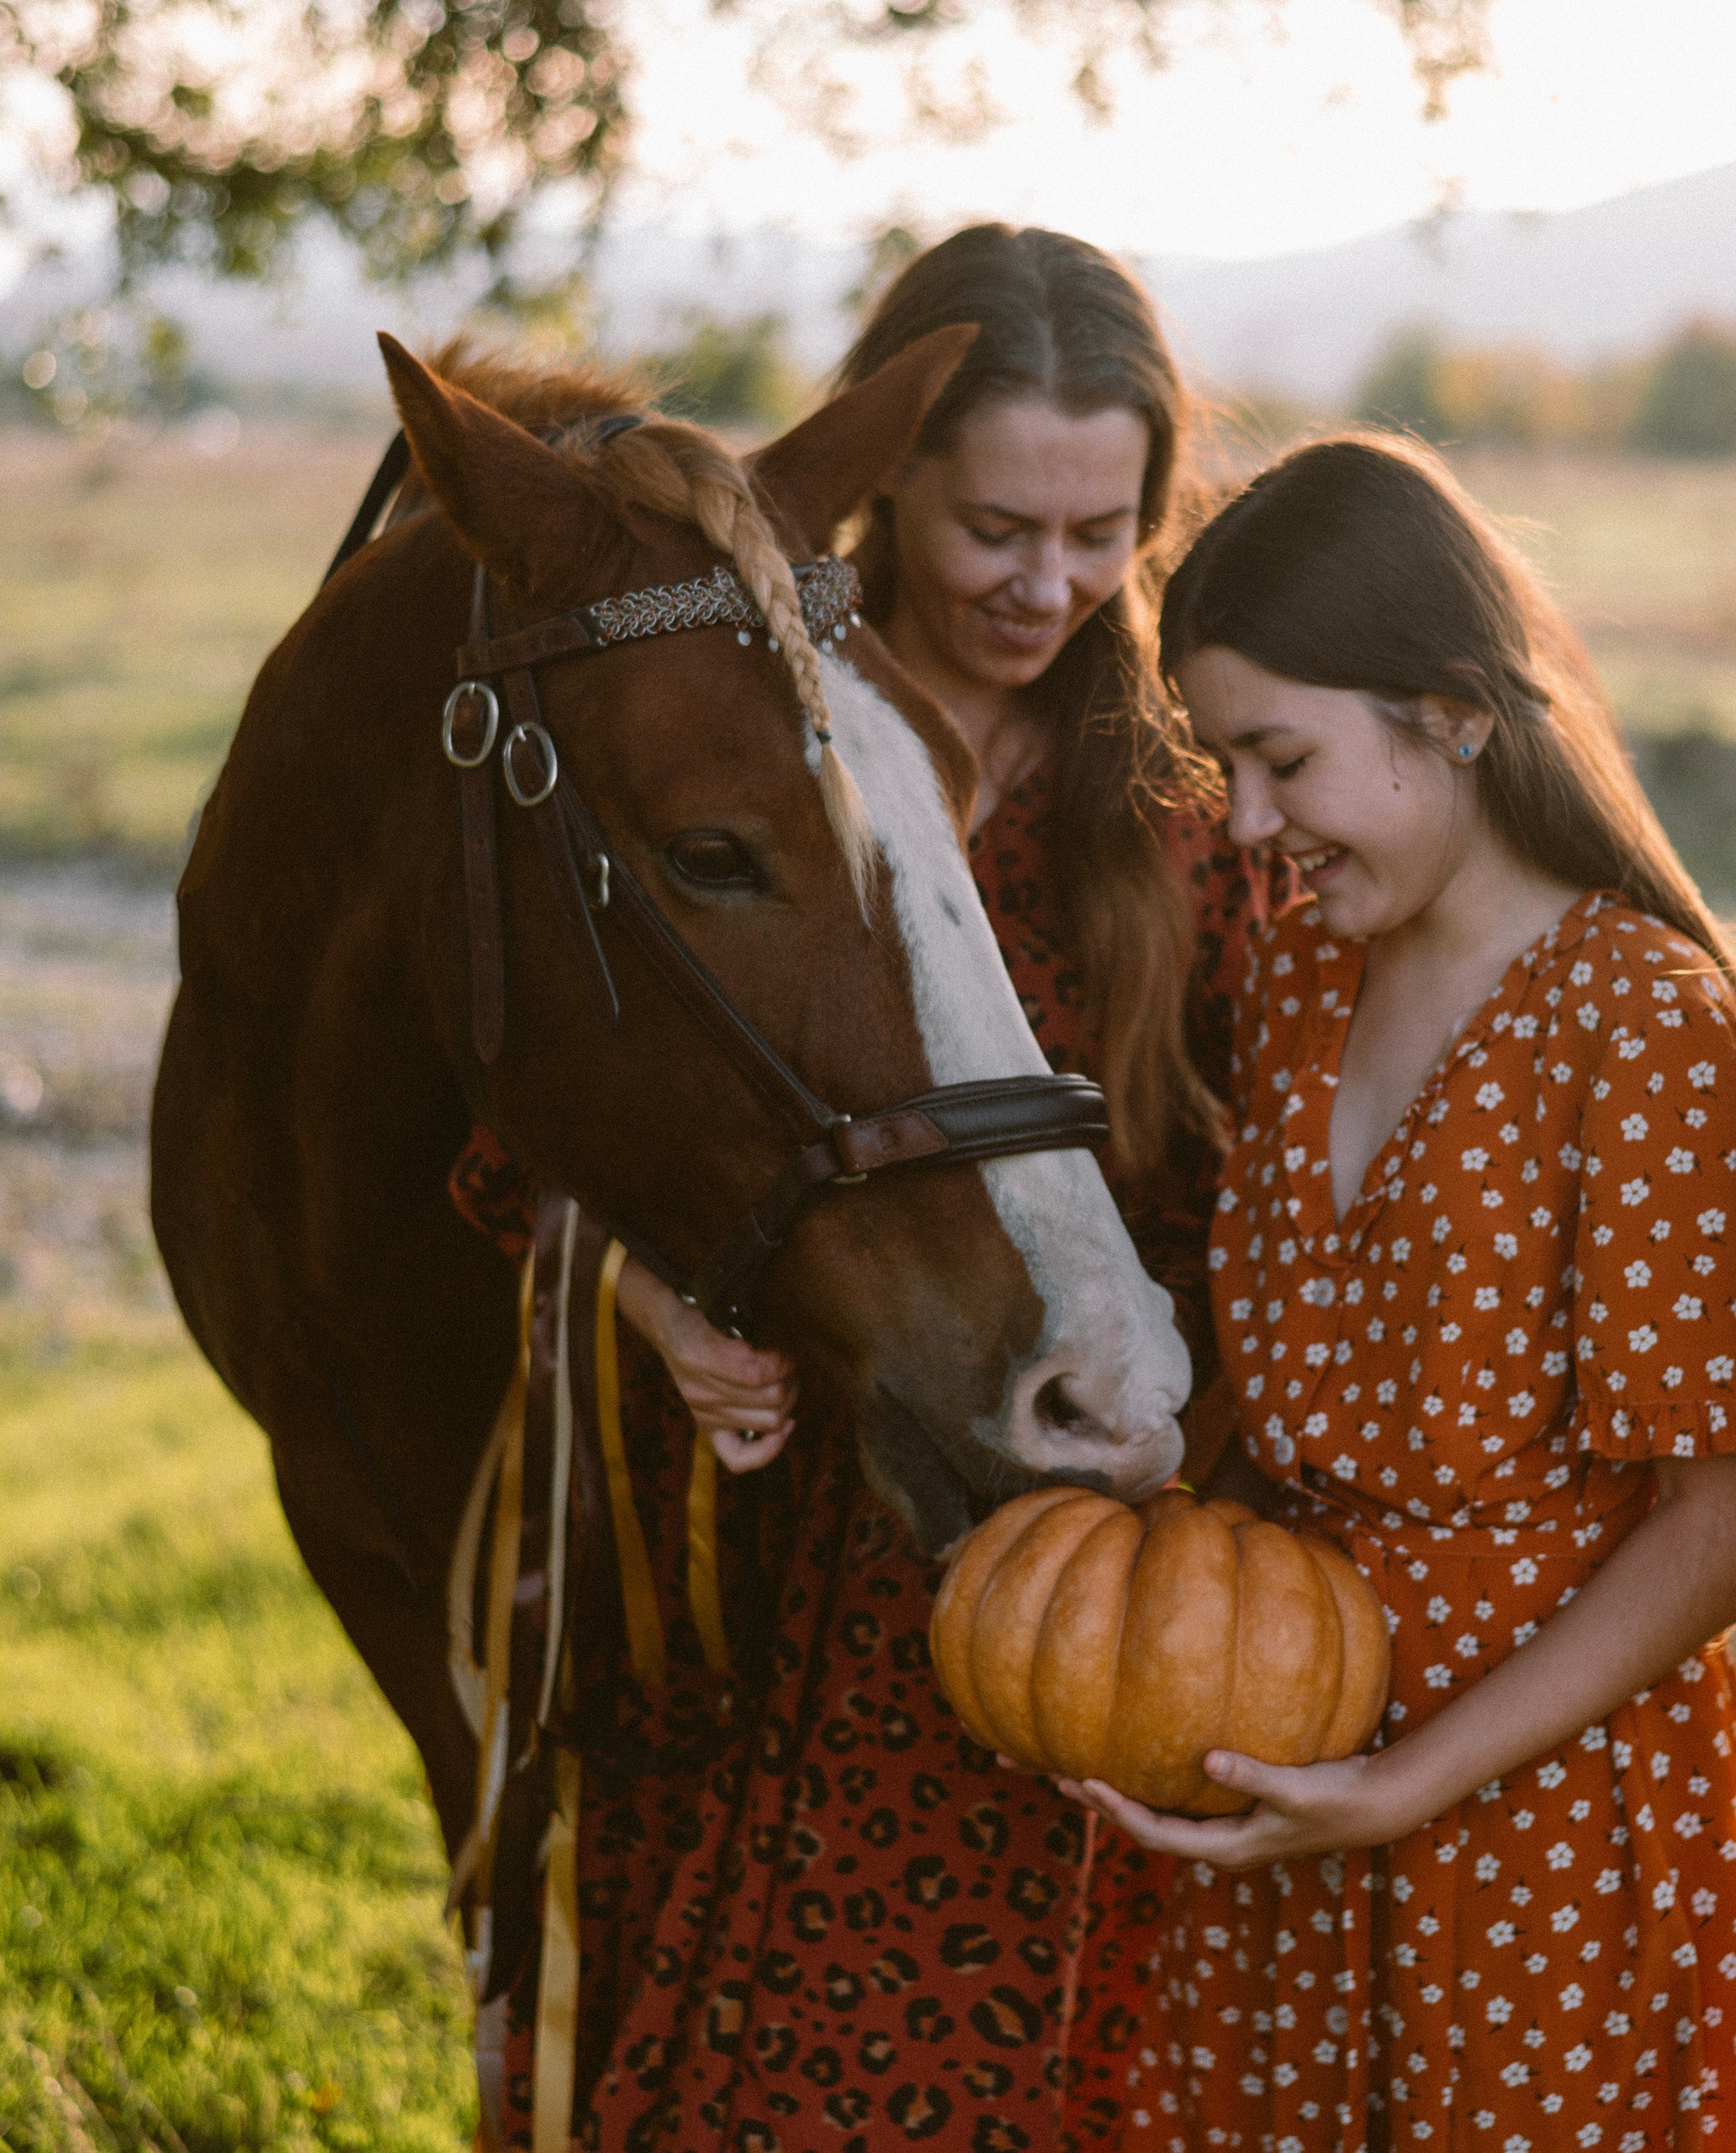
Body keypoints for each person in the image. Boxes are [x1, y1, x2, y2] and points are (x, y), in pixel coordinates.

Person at [449, 223, 1268, 2150]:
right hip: (735, 1543)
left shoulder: (1184, 800)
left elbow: (1274, 1172)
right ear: (878, 475)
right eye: (999, 525)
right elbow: (536, 1106)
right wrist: (638, 1292)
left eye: (1102, 531)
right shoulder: (741, 732)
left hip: (1018, 1520)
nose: (1049, 584)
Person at [1065, 435, 1736, 2150]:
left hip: (1539, 1826)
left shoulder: (1638, 1024)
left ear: (1454, 713)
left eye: (1278, 758)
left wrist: (1405, 1780)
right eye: (1224, 767)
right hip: (1283, 1769)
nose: (1248, 823)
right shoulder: (1295, 974)